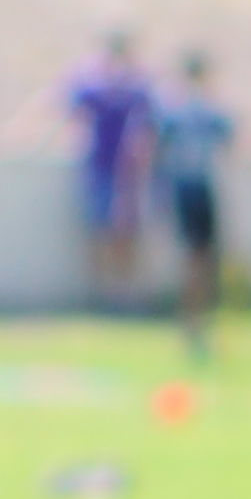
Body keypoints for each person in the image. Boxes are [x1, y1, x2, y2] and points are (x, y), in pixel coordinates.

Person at [154, 52, 237, 362]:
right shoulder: (197, 109)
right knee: (197, 259)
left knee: (199, 259)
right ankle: (193, 323)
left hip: (190, 188)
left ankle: (196, 323)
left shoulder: (178, 109)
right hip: (193, 188)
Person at [66, 31, 153, 311]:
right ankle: (100, 291)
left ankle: (123, 291)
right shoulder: (95, 87)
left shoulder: (136, 89)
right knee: (99, 228)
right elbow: (67, 106)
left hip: (127, 171)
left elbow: (149, 126)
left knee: (125, 230)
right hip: (101, 166)